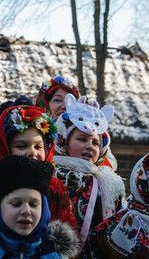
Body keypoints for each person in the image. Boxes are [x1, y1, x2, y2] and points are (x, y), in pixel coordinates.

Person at [53, 94, 125, 247]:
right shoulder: (52, 174)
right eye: (82, 139)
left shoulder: (110, 182)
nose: (90, 146)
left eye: (95, 142)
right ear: (64, 141)